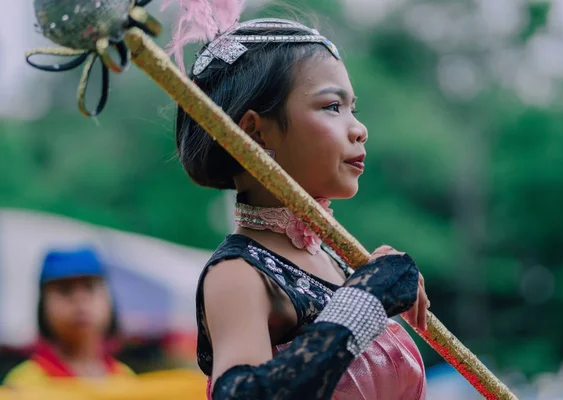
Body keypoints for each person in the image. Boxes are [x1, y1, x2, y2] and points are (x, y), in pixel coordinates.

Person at [171, 10, 430, 400]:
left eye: (352, 109)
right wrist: (366, 298)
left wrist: (369, 285)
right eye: (331, 107)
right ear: (255, 132)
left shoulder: (341, 261)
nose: (359, 129)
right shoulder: (238, 274)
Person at [3, 248, 133, 387]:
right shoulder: (22, 385)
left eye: (90, 288)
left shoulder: (126, 379)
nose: (80, 300)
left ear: (109, 300)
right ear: (43, 305)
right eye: (65, 290)